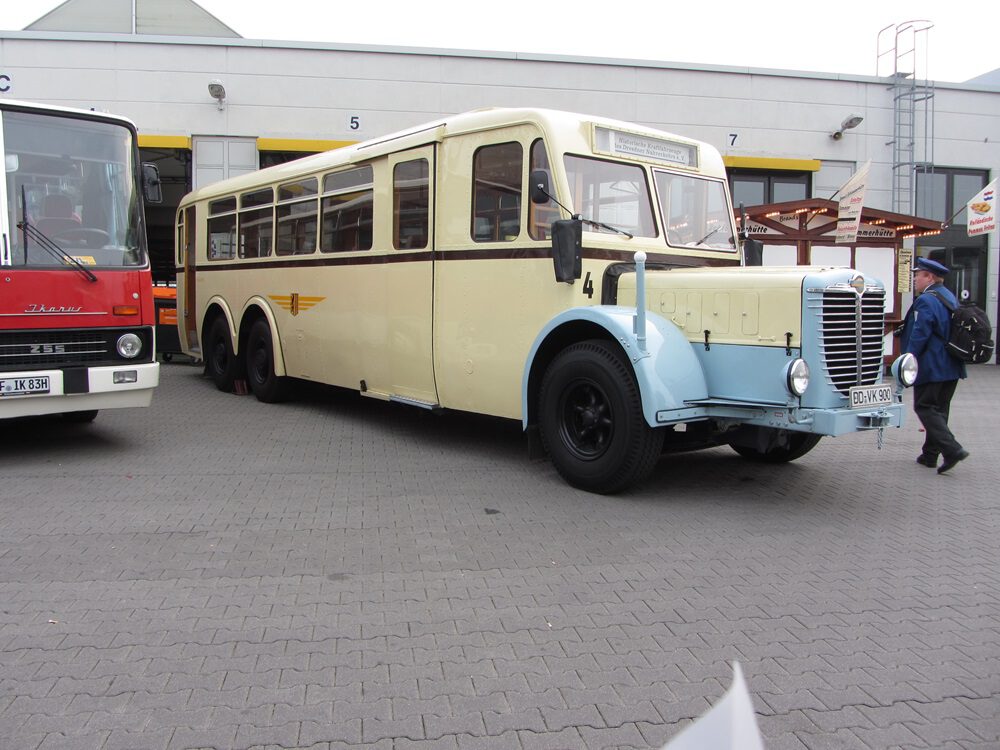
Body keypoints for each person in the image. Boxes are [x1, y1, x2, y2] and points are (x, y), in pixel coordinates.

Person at [899, 257, 969, 474]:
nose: (914, 280)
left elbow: (921, 332)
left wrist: (908, 358)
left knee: (924, 407)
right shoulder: (948, 295)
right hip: (952, 364)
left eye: (917, 275)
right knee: (939, 409)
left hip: (932, 365)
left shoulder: (926, 300)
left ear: (929, 277)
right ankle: (929, 455)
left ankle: (952, 449)